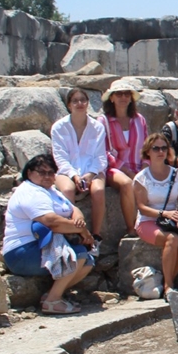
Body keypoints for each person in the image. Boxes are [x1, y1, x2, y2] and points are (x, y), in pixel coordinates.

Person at [2, 154, 96, 315]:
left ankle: (51, 295)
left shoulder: (51, 190)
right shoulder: (31, 192)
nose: (47, 176)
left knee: (88, 260)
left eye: (50, 172)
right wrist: (81, 230)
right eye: (41, 172)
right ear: (29, 172)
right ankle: (52, 301)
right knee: (78, 254)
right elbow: (50, 221)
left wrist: (78, 219)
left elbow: (71, 208)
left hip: (44, 245)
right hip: (22, 251)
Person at [132, 134, 178, 296]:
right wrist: (165, 213)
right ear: (148, 152)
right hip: (148, 220)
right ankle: (169, 285)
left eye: (164, 148)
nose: (160, 152)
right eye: (156, 148)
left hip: (171, 219)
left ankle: (167, 279)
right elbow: (142, 207)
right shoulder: (141, 178)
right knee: (172, 239)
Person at [51, 88, 107, 244]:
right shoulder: (58, 127)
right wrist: (74, 176)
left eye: (83, 100)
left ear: (88, 103)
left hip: (93, 170)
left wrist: (89, 175)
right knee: (68, 189)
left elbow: (101, 156)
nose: (79, 104)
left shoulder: (97, 127)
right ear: (69, 105)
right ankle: (73, 232)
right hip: (67, 170)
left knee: (98, 190)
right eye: (75, 101)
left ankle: (96, 235)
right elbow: (60, 157)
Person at [101, 80, 147, 234]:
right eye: (119, 94)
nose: (123, 97)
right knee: (127, 184)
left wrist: (147, 166)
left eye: (127, 94)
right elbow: (103, 151)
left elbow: (147, 145)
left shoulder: (139, 119)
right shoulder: (103, 121)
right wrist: (128, 172)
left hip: (138, 166)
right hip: (114, 169)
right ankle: (132, 228)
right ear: (112, 98)